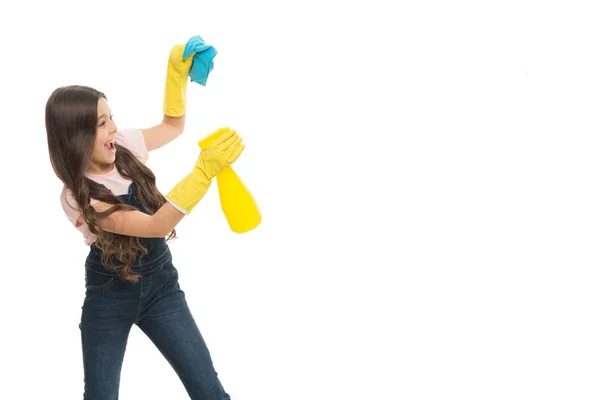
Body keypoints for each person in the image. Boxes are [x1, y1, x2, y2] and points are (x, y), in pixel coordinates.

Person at [44, 39, 243, 400]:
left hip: (161, 286)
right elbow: (154, 226)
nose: (113, 129)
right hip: (109, 298)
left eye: (110, 117)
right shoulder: (78, 196)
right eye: (101, 124)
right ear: (74, 138)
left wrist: (176, 76)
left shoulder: (123, 145)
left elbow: (172, 126)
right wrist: (203, 172)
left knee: (209, 391)